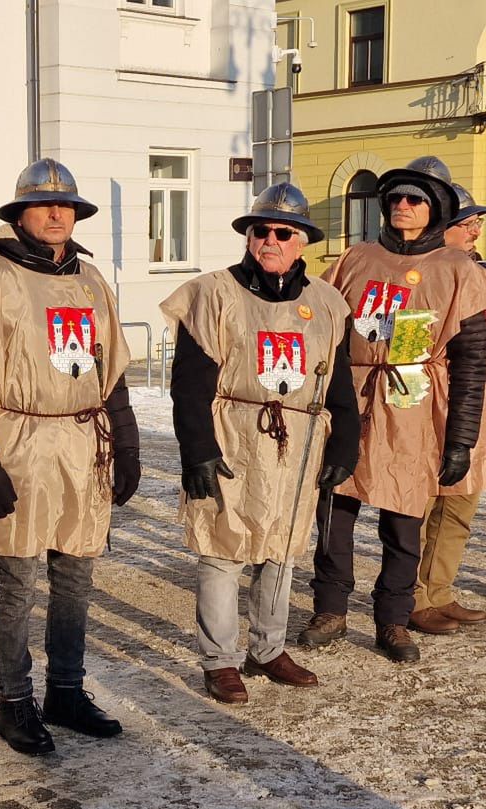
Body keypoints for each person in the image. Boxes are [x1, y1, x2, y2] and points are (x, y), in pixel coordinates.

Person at [0, 158, 138, 754]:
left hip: (82, 442)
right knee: (17, 579)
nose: (58, 215)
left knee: (76, 576)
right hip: (19, 441)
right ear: (20, 213)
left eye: (68, 207)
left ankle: (66, 690)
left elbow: (113, 375)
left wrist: (126, 443)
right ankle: (14, 701)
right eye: (45, 205)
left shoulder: (88, 281)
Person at [164, 183, 357, 702]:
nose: (269, 240)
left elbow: (339, 382)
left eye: (282, 233)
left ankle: (267, 648)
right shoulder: (214, 294)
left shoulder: (327, 303)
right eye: (260, 231)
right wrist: (197, 448)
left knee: (282, 547)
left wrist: (346, 443)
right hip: (232, 431)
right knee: (223, 547)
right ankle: (220, 658)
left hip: (299, 440)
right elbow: (190, 380)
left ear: (302, 242)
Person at [305, 157, 486, 662]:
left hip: (415, 401)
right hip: (355, 394)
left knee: (403, 518)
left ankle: (393, 618)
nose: (403, 207)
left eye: (415, 200)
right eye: (395, 199)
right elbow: (321, 326)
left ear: (433, 210)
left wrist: (461, 438)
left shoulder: (457, 269)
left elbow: (472, 360)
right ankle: (330, 607)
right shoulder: (355, 259)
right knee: (336, 508)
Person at [407, 180, 486, 632]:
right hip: (433, 393)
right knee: (422, 501)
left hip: (477, 396)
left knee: (462, 501)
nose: (474, 232)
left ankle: (439, 590)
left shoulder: (484, 275)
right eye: (465, 224)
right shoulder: (419, 274)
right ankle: (411, 596)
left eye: (477, 223)